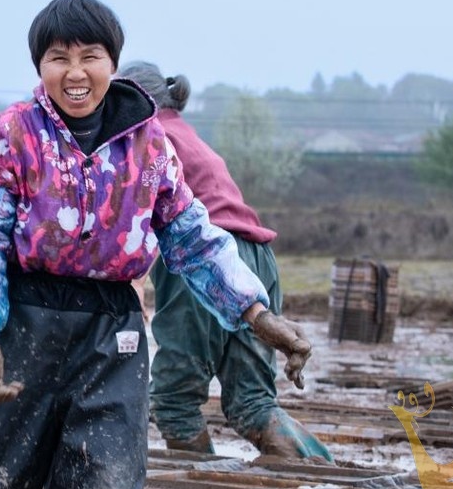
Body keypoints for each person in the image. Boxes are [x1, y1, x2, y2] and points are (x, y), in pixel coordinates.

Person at [0, 0, 313, 489]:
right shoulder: (9, 136)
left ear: (112, 62)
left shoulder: (150, 146)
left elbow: (194, 238)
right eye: (58, 58)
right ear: (39, 65)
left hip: (112, 331)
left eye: (90, 56)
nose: (76, 73)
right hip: (21, 320)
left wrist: (258, 316)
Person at [117, 62, 333, 463]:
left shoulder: (146, 136)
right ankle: (324, 473)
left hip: (202, 258)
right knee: (253, 402)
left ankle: (204, 483)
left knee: (174, 400)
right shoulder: (187, 133)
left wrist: (134, 283)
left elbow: (137, 217)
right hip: (256, 259)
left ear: (133, 100)